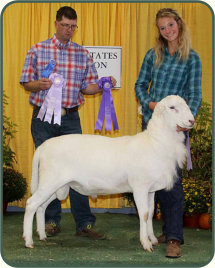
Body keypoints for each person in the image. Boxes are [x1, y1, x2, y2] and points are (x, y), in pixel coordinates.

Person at [20, 6, 116, 239]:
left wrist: (105, 84)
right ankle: (51, 221)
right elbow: (25, 82)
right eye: (64, 25)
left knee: (80, 169)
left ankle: (84, 224)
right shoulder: (37, 49)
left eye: (73, 26)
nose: (69, 30)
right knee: (50, 171)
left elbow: (88, 87)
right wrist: (39, 84)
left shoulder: (82, 53)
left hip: (71, 117)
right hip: (43, 117)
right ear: (56, 24)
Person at [135, 8, 202, 258]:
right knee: (153, 180)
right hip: (152, 126)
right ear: (159, 31)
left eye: (170, 25)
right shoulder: (153, 55)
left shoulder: (192, 59)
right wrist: (150, 104)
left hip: (175, 130)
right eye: (162, 28)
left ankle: (174, 237)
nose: (167, 31)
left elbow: (195, 94)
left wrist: (187, 120)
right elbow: (140, 84)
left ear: (179, 25)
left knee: (172, 182)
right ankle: (162, 230)